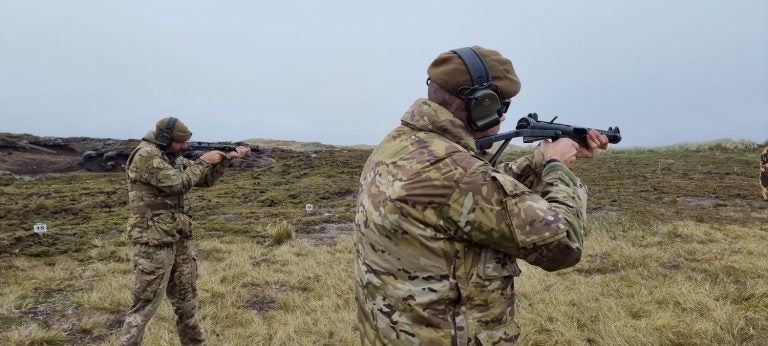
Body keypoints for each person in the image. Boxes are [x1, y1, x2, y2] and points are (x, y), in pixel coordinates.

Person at [354, 46, 609, 345]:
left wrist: (538, 161)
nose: (502, 116)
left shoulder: (401, 143)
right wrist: (557, 169)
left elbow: (479, 190)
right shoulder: (457, 173)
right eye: (501, 105)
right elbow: (563, 244)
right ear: (481, 105)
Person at [119, 117, 250, 346]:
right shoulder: (146, 156)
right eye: (180, 142)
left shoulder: (170, 156)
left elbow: (204, 181)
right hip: (153, 241)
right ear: (164, 138)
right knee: (144, 306)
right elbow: (179, 184)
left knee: (186, 301)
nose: (185, 147)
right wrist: (202, 160)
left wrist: (223, 161)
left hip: (177, 238)